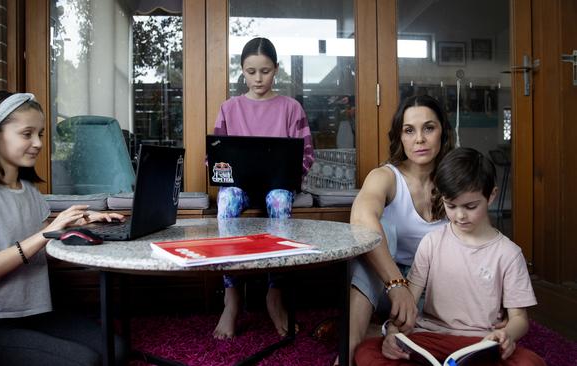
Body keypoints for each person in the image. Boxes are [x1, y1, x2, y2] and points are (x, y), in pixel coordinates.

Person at [0, 90, 127, 366]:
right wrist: (45, 233)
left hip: (35, 314)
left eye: (40, 133)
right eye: (27, 134)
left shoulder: (29, 191)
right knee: (83, 361)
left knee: (117, 349)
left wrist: (81, 223)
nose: (38, 143)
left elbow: (45, 246)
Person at [355, 147, 545, 366]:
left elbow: (519, 319)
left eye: (471, 206)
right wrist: (393, 333)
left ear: (491, 195)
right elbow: (410, 303)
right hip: (429, 337)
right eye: (451, 206)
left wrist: (507, 335)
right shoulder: (432, 242)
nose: (460, 215)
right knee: (367, 352)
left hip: (482, 342)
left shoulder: (509, 254)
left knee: (530, 363)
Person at [212, 37, 314, 340]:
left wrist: (287, 173)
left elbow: (306, 155)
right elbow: (214, 157)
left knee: (281, 201)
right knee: (227, 199)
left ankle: (275, 294)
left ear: (276, 71)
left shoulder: (291, 108)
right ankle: (231, 297)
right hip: (239, 187)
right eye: (251, 71)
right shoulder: (229, 108)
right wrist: (221, 170)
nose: (258, 78)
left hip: (278, 186)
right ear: (242, 71)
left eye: (265, 71)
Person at [343, 94, 455, 365]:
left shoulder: (455, 179)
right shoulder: (385, 176)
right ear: (399, 137)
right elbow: (360, 218)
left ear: (443, 132)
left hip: (430, 290)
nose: (419, 139)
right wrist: (396, 284)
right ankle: (350, 348)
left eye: (429, 128)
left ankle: (383, 331)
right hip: (383, 286)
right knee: (377, 234)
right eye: (409, 130)